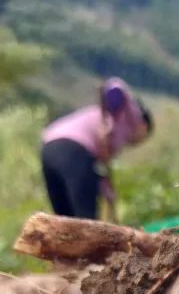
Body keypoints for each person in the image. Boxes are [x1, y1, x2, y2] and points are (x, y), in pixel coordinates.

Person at [41, 77, 152, 220]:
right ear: (144, 126)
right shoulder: (128, 116)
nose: (138, 142)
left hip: (49, 148)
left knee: (65, 219)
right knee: (85, 218)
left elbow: (94, 170)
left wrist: (107, 191)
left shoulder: (113, 130)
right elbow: (115, 88)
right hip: (74, 148)